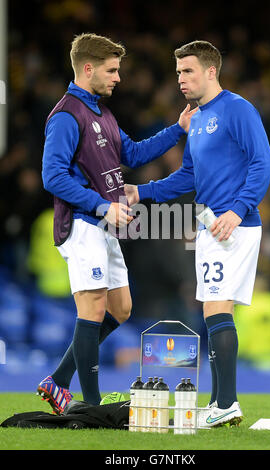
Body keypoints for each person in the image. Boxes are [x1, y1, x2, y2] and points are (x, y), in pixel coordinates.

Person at [37, 33, 196, 414]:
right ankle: (90, 405)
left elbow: (135, 153)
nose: (118, 78)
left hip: (104, 225)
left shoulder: (102, 114)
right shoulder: (65, 116)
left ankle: (58, 379)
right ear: (87, 69)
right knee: (91, 309)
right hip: (81, 224)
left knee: (121, 308)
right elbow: (52, 176)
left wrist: (178, 129)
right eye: (112, 70)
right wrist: (100, 206)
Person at [125, 40, 270, 427]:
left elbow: (263, 161)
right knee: (213, 312)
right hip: (210, 226)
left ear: (211, 71)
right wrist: (143, 192)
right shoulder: (197, 117)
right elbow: (188, 176)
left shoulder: (237, 109)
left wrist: (238, 211)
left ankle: (226, 403)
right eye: (177, 73)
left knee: (216, 309)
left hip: (231, 226)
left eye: (187, 71)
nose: (180, 79)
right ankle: (221, 403)